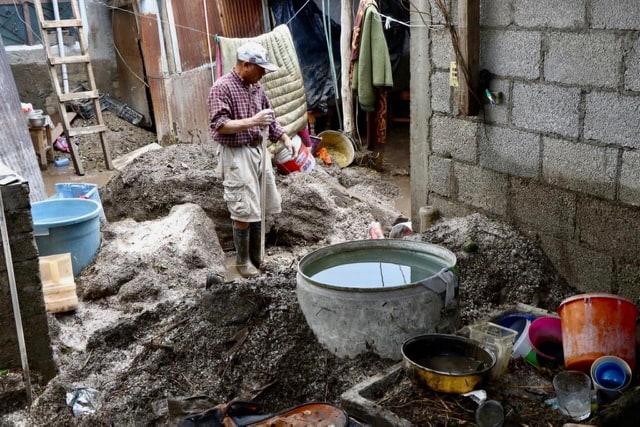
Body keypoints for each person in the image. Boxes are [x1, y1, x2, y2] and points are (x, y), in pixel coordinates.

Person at [207, 41, 297, 278]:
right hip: (237, 154)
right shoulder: (222, 87)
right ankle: (242, 261)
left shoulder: (255, 86)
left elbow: (269, 117)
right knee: (243, 208)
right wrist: (253, 121)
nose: (263, 74)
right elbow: (220, 125)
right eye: (260, 69)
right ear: (246, 65)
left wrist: (285, 137)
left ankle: (258, 257)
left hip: (259, 150)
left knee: (260, 206)